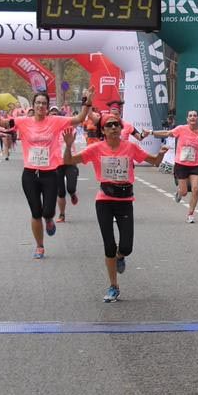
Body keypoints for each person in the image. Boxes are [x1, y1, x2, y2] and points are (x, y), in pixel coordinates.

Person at [62, 113, 168, 302]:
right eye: (109, 125)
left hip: (125, 200)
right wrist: (69, 145)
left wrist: (161, 154)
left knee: (126, 246)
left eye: (116, 125)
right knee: (109, 245)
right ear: (103, 130)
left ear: (121, 129)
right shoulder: (95, 149)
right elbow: (69, 161)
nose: (113, 128)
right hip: (105, 200)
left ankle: (121, 256)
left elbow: (154, 161)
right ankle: (113, 285)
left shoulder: (130, 147)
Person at [0, 88, 92, 259]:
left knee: (47, 212)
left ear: (48, 107)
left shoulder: (56, 121)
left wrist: (87, 101)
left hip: (51, 173)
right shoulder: (22, 121)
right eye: (38, 103)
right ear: (33, 106)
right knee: (36, 212)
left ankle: (49, 219)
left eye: (44, 103)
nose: (41, 105)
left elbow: (79, 119)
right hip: (30, 174)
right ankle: (40, 246)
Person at [153, 109, 198, 224]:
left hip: (195, 165)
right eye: (190, 116)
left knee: (195, 189)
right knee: (184, 192)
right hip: (181, 165)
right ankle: (179, 192)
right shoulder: (181, 129)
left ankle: (190, 214)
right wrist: (151, 132)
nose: (192, 117)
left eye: (195, 116)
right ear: (187, 119)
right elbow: (167, 133)